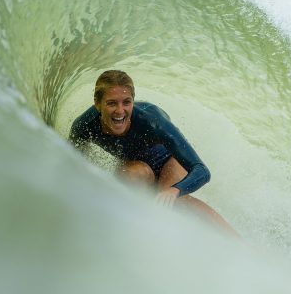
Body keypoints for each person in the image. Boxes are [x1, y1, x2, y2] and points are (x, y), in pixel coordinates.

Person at [69, 70, 237, 236]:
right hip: (137, 170)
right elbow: (73, 166)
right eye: (112, 103)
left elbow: (201, 171)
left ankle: (238, 244)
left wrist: (175, 191)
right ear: (97, 104)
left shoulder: (152, 121)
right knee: (132, 175)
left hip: (169, 162)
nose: (120, 111)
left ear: (133, 101)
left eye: (126, 102)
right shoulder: (84, 126)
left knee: (173, 201)